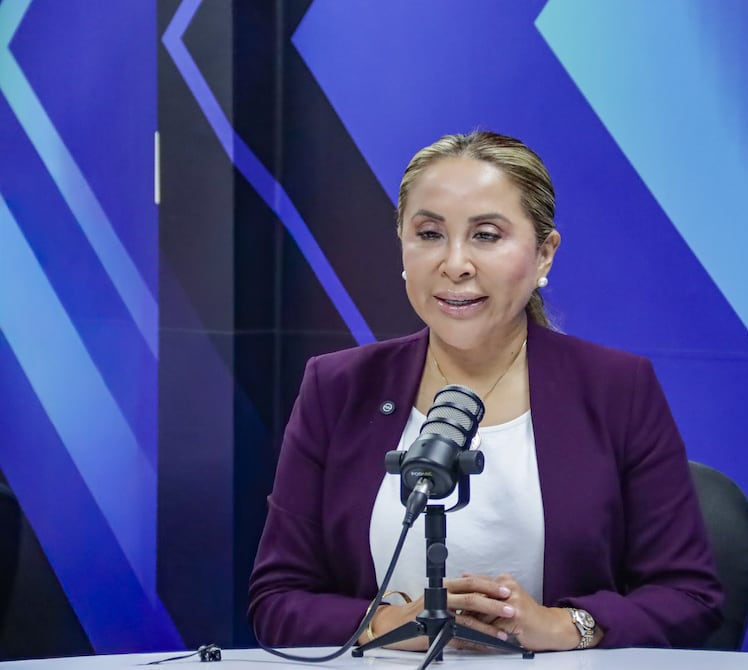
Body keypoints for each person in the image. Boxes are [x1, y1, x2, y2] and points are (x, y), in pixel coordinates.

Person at [248, 131, 723, 652]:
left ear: (544, 255)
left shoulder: (617, 389)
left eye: (487, 235)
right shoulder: (338, 388)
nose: (455, 264)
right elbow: (277, 600)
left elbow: (689, 598)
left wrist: (564, 626)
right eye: (430, 234)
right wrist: (390, 625)